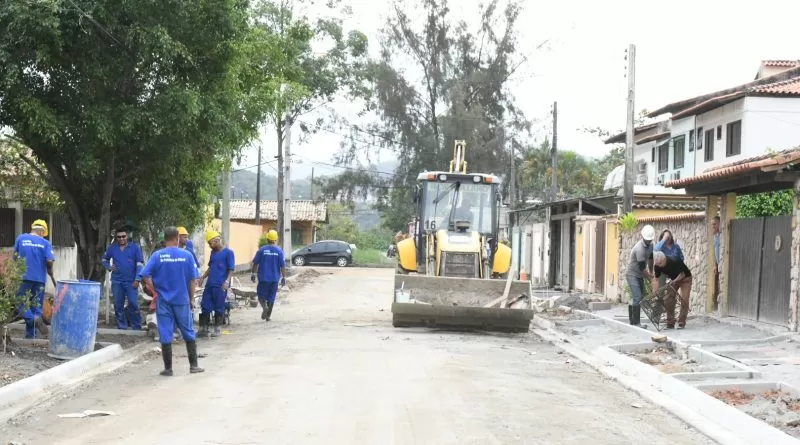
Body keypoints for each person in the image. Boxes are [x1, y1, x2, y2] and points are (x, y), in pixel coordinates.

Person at [139, 227, 203, 376]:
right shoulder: (187, 255)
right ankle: (193, 366)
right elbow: (193, 280)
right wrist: (191, 298)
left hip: (163, 300)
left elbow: (145, 275)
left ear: (165, 238)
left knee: (166, 332)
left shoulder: (157, 256)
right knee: (188, 330)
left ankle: (168, 369)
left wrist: (155, 290)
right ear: (177, 237)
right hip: (182, 300)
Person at [14, 220, 56, 338]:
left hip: (23, 277)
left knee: (19, 303)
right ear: (42, 231)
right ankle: (32, 334)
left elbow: (15, 257)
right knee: (36, 308)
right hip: (40, 280)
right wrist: (50, 270)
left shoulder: (21, 239)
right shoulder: (45, 243)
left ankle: (31, 325)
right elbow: (49, 260)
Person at [102, 227, 145, 330]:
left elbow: (140, 264)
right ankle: (122, 327)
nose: (121, 239)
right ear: (116, 238)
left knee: (133, 304)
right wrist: (109, 267)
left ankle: (136, 326)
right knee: (118, 305)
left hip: (131, 281)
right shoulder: (112, 248)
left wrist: (137, 279)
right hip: (117, 281)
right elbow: (104, 260)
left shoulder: (135, 248)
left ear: (127, 236)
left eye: (123, 236)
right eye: (119, 237)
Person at [199, 230, 235, 337]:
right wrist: (203, 277)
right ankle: (203, 329)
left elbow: (231, 269)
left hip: (220, 285)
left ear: (217, 240)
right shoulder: (213, 253)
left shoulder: (228, 253)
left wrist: (227, 281)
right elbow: (211, 267)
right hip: (210, 285)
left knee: (219, 306)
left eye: (210, 243)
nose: (209, 246)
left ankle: (217, 329)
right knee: (205, 305)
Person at [251, 230, 286, 322]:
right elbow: (283, 266)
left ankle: (264, 307)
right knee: (271, 297)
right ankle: (268, 316)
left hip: (263, 278)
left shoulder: (262, 250)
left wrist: (253, 274)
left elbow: (255, 263)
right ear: (276, 239)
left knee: (261, 296)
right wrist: (284, 277)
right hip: (274, 279)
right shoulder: (279, 251)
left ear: (267, 239)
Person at [652, 251, 693, 329]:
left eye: (660, 263)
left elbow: (682, 274)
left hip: (685, 279)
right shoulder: (657, 265)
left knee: (684, 299)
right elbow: (656, 279)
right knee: (668, 299)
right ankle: (670, 322)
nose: (660, 266)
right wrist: (655, 292)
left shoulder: (674, 260)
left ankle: (681, 322)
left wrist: (673, 281)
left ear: (664, 259)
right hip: (674, 279)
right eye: (658, 264)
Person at [626, 224, 655, 326]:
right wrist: (651, 279)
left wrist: (651, 272)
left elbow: (651, 260)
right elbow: (642, 269)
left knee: (640, 297)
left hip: (639, 274)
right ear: (642, 237)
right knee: (637, 297)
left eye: (649, 240)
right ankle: (637, 323)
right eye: (647, 239)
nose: (648, 241)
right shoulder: (640, 249)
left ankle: (632, 321)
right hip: (632, 274)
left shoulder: (651, 246)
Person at [712, 216, 722, 306]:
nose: (713, 226)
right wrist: (715, 265)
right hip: (718, 264)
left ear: (719, 224)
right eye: (712, 224)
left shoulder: (723, 236)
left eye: (714, 224)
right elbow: (715, 251)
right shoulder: (715, 237)